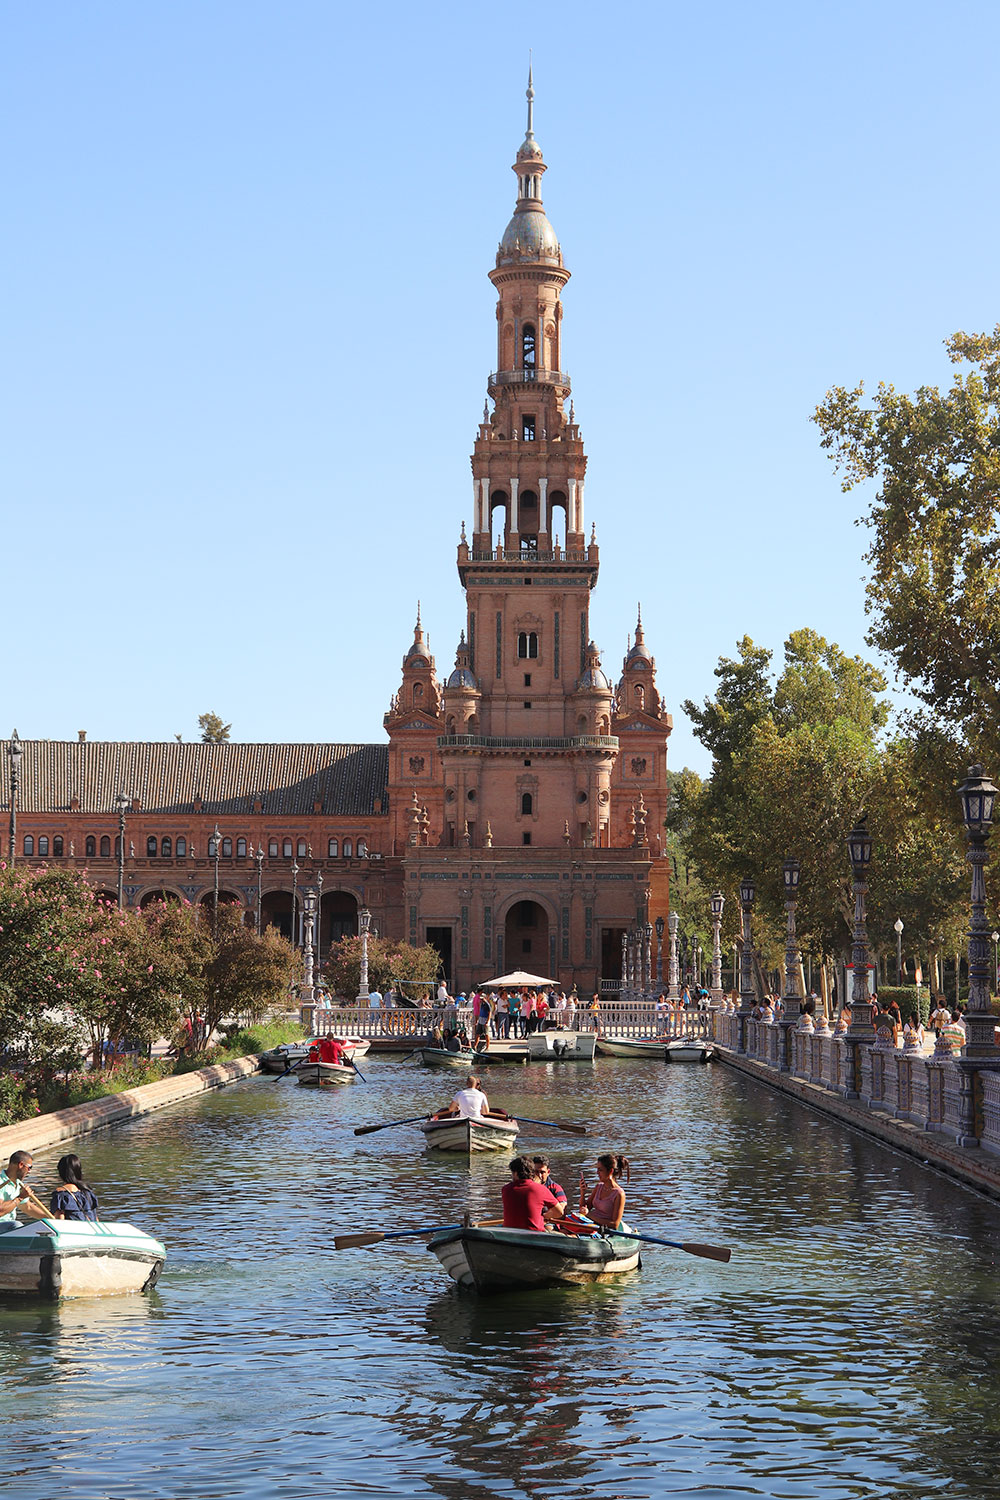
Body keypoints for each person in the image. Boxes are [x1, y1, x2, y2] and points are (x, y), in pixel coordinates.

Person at [502, 1155, 564, 1230]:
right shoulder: (541, 1189)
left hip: (509, 1233)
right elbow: (559, 1212)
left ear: (515, 1173)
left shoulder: (505, 1189)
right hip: (534, 1235)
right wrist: (544, 1217)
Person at [581, 1153, 630, 1230]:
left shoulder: (619, 1194)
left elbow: (614, 1224)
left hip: (601, 1229)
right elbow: (584, 1208)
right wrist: (582, 1192)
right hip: (589, 1223)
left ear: (610, 1171)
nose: (597, 1173)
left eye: (600, 1170)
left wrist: (589, 1215)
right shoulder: (599, 1186)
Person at [0, 1150, 48, 1222]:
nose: (29, 1171)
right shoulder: (1, 1182)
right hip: (4, 1226)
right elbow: (0, 1211)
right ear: (21, 1165)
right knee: (16, 1225)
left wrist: (51, 1219)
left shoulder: (18, 1184)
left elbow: (28, 1207)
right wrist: (20, 1198)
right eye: (29, 1167)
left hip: (9, 1225)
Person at [49, 1154, 100, 1221]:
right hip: (91, 1230)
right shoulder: (88, 1192)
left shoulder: (60, 1195)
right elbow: (95, 1218)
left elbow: (60, 1222)